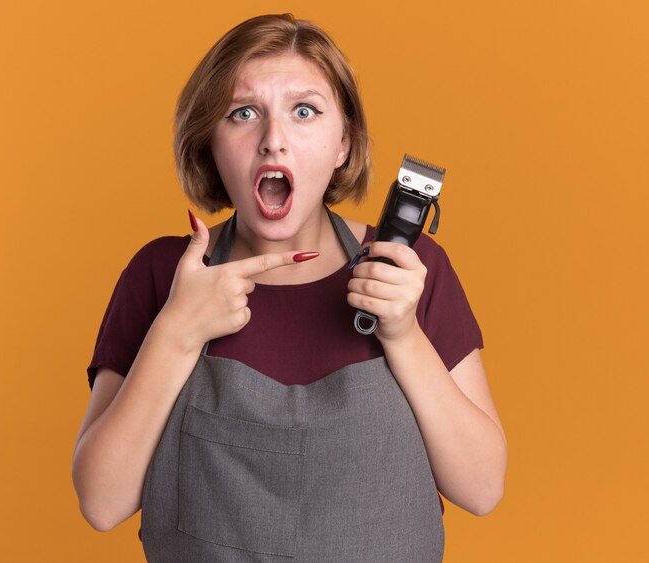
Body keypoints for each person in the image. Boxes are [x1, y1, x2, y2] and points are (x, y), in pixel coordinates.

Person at [73, 13, 507, 562]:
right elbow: (102, 502)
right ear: (210, 140)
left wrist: (403, 334)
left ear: (343, 144)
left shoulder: (412, 271)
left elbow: (483, 489)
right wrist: (176, 333)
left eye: (304, 111)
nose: (273, 141)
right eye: (244, 113)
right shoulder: (164, 274)